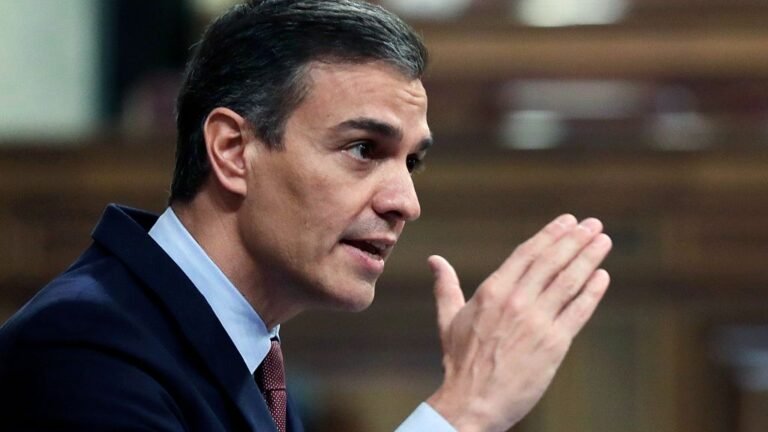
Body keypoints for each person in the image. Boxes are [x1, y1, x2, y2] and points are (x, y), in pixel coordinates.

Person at [0, 1, 612, 431]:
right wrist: (465, 411)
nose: (405, 201)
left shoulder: (254, 360)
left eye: (411, 162)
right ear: (233, 151)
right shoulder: (85, 345)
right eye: (363, 150)